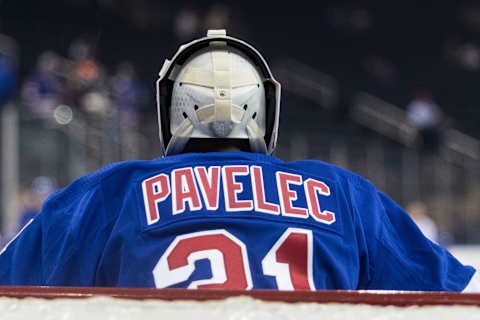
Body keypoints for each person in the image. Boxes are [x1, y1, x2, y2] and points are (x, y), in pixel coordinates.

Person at [0, 30, 478, 292]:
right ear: (264, 111)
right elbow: (453, 297)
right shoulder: (343, 193)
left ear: (174, 110)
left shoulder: (110, 191)